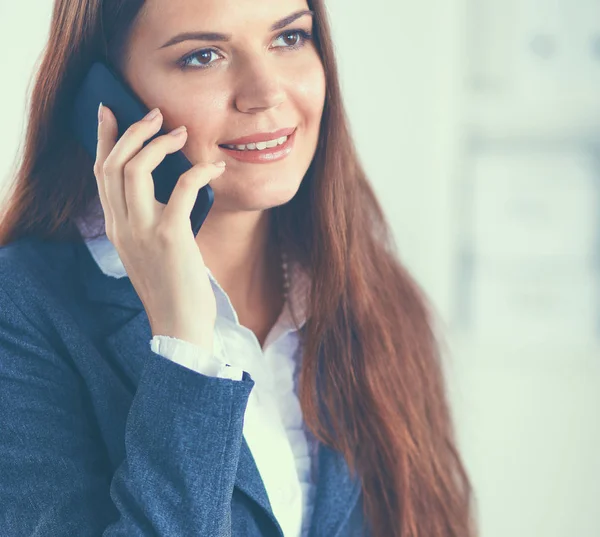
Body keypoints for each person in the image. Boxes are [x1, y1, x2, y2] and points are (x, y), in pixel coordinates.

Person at [0, 0, 478, 536]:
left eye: (289, 39)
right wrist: (184, 345)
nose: (267, 93)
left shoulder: (374, 294)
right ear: (104, 96)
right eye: (204, 55)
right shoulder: (20, 310)